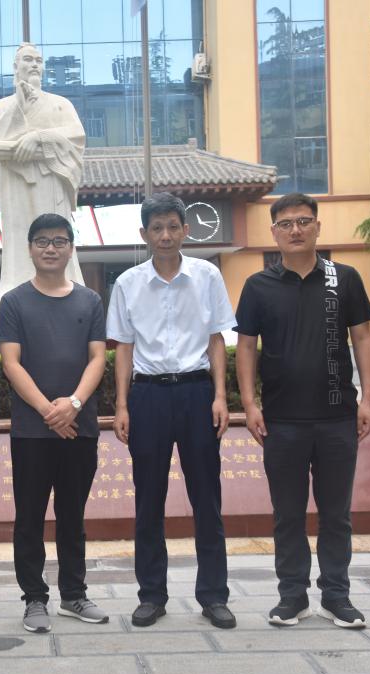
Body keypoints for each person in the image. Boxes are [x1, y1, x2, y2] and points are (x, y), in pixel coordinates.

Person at [234, 193, 370, 630]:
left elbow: (363, 338)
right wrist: (250, 404)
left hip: (337, 418)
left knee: (336, 514)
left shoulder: (344, 278)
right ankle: (292, 597)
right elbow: (246, 347)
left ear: (317, 226)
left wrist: (368, 400)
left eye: (303, 221)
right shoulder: (258, 286)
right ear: (273, 232)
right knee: (288, 514)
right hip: (281, 422)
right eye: (285, 223)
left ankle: (337, 596)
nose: (295, 230)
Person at [106, 193, 238, 630]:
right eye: (157, 228)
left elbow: (217, 340)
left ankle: (214, 596)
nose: (165, 235)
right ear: (144, 234)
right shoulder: (127, 283)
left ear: (186, 230)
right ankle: (151, 596)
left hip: (197, 393)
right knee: (148, 499)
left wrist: (220, 397)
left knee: (207, 498)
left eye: (172, 226)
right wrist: (122, 405)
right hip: (149, 397)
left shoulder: (207, 275)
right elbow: (124, 349)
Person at [0, 213, 108, 633]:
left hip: (80, 427)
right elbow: (11, 363)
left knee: (72, 514)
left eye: (59, 241)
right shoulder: (14, 302)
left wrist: (73, 404)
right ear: (29, 248)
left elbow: (98, 358)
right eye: (42, 240)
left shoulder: (90, 301)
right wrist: (49, 411)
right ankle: (34, 598)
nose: (50, 248)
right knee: (29, 517)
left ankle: (74, 595)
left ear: (71, 248)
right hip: (32, 431)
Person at [0, 42, 86, 308]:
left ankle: (65, 288)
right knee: (20, 237)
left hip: (51, 182)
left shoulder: (60, 104)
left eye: (38, 61)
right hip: (16, 185)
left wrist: (39, 137)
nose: (34, 65)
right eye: (28, 60)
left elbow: (77, 136)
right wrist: (19, 104)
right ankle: (13, 292)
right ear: (15, 66)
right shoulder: (3, 106)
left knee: (55, 234)